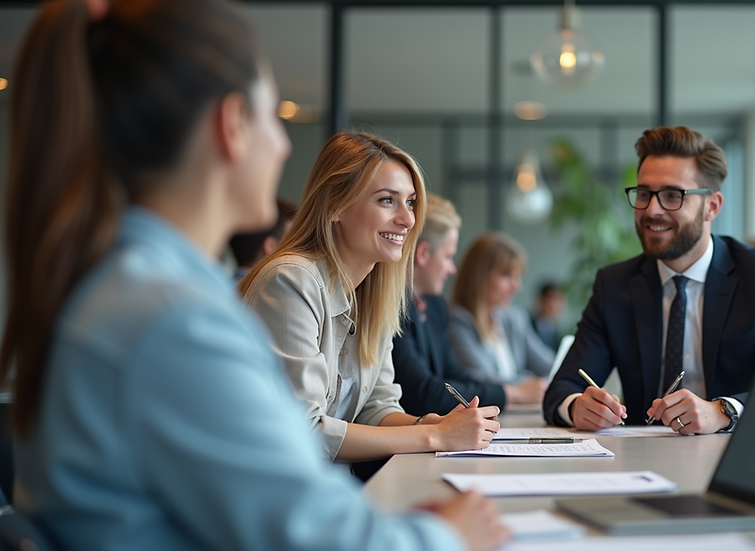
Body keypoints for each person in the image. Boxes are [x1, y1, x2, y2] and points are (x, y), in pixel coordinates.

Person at [0, 1, 507, 550]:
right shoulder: (177, 318)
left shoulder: (136, 288)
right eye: (274, 118)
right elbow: (306, 530)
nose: (285, 144)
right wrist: (442, 535)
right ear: (232, 125)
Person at [239, 132, 501, 464]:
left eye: (409, 202)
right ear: (334, 205)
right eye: (386, 200)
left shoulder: (374, 294)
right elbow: (301, 430)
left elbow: (376, 408)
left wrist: (429, 423)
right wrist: (435, 435)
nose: (408, 219)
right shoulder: (292, 281)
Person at [543, 126, 755, 433]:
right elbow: (561, 389)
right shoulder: (615, 285)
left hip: (738, 454)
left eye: (673, 195)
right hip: (641, 459)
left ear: (712, 206)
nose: (652, 210)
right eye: (644, 194)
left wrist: (724, 411)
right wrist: (576, 407)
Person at [392, 195, 547, 416]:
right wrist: (514, 393)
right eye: (448, 257)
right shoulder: (394, 308)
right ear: (423, 254)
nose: (452, 269)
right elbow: (423, 393)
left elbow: (456, 377)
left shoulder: (435, 307)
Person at [448, 233, 555, 385]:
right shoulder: (457, 320)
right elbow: (481, 378)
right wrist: (529, 383)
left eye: (517, 277)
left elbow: (548, 365)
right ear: (480, 275)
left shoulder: (515, 318)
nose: (516, 286)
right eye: (507, 276)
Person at [228, 197, 297, 280]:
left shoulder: (223, 287)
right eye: (291, 242)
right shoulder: (270, 290)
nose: (297, 251)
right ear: (270, 246)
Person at [530, 282, 566, 352]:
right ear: (542, 300)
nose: (556, 305)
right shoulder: (527, 325)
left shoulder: (558, 334)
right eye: (553, 299)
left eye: (560, 300)